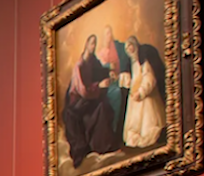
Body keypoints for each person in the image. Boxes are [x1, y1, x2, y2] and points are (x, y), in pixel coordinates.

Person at [63, 33, 121, 163]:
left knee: (105, 105)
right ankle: (103, 146)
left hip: (90, 97)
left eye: (95, 43)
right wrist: (98, 85)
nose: (94, 46)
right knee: (100, 108)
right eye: (92, 43)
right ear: (86, 45)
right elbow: (83, 91)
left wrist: (109, 72)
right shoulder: (79, 65)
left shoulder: (92, 60)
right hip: (78, 103)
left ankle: (106, 145)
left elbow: (99, 70)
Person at [122, 36, 166, 148]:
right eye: (128, 48)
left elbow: (149, 78)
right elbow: (129, 81)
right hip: (134, 99)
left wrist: (141, 92)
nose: (130, 49)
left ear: (136, 46)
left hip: (147, 96)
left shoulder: (144, 61)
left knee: (148, 127)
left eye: (131, 46)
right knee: (133, 127)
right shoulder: (131, 64)